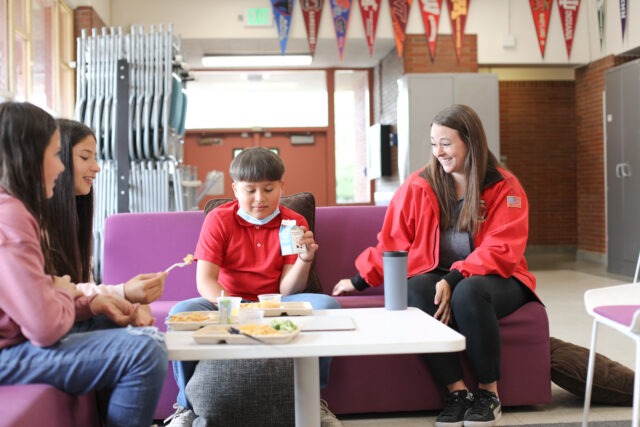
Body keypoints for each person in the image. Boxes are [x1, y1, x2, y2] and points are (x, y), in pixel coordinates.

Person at [333, 104, 539, 427]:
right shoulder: (420, 184)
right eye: (433, 143)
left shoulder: (504, 186)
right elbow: (392, 241)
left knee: (468, 293)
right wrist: (359, 280)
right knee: (414, 289)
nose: (438, 152)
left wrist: (455, 278)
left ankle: (488, 394)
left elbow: (502, 249)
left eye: (446, 143)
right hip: (444, 276)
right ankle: (457, 393)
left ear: (470, 142)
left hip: (498, 278)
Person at [0, 101, 168, 427]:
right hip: (8, 355)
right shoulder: (11, 216)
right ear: (28, 156)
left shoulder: (16, 211)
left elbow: (35, 305)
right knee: (145, 351)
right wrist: (62, 290)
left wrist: (93, 304)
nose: (60, 167)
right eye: (54, 155)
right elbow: (45, 327)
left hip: (14, 344)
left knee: (131, 332)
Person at [166, 146, 343, 427]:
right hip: (225, 302)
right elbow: (205, 281)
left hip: (274, 301)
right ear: (235, 189)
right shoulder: (219, 220)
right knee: (179, 313)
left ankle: (313, 400)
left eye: (269, 189)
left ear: (281, 186)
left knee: (327, 307)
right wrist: (238, 307)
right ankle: (186, 406)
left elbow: (287, 289)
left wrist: (304, 260)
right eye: (250, 190)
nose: (260, 199)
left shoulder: (292, 222)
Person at [49, 118, 167, 306]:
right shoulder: (31, 223)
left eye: (95, 157)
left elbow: (81, 287)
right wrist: (122, 293)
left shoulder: (74, 219)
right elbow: (51, 292)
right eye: (85, 157)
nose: (97, 167)